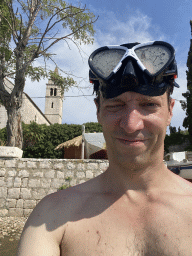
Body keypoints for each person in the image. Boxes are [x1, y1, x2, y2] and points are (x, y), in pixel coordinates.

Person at [17, 41, 192, 255]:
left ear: (170, 111)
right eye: (115, 106)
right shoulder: (52, 217)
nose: (130, 125)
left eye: (149, 105)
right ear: (98, 111)